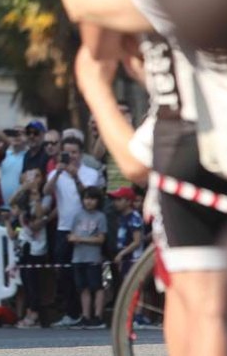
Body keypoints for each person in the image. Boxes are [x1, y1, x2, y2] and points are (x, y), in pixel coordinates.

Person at [54, 0, 227, 352]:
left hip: (195, 147)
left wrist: (93, 86)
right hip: (214, 144)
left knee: (203, 306)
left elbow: (85, 9)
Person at [43, 136, 105, 328]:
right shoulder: (56, 172)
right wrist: (57, 173)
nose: (71, 156)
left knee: (88, 274)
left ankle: (91, 314)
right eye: (67, 152)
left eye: (75, 152)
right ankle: (71, 312)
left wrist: (75, 175)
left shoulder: (90, 173)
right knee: (64, 273)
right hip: (64, 228)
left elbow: (90, 196)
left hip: (87, 228)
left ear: (81, 153)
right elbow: (46, 191)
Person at [9, 168, 52, 329]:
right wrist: (23, 188)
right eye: (30, 176)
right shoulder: (23, 195)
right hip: (24, 241)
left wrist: (36, 196)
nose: (33, 179)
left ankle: (35, 313)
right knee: (26, 279)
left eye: (37, 176)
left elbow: (40, 215)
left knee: (35, 280)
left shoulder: (45, 195)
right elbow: (11, 203)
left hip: (37, 243)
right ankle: (29, 311)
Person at [68, 188, 108, 329]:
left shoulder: (100, 217)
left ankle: (98, 316)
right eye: (86, 198)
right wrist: (73, 238)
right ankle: (86, 316)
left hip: (93, 257)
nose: (89, 202)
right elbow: (72, 234)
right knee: (83, 287)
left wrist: (81, 239)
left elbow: (101, 238)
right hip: (78, 257)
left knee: (96, 287)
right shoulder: (78, 216)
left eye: (92, 199)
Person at [109, 186, 144, 276]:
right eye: (115, 200)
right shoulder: (121, 217)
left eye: (119, 199)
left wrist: (121, 254)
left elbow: (137, 241)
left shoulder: (134, 217)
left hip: (133, 259)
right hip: (125, 259)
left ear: (128, 201)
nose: (116, 202)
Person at [0, 127, 27, 207]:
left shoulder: (29, 156)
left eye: (20, 134)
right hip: (1, 205)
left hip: (19, 207)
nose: (17, 136)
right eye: (14, 133)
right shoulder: (4, 154)